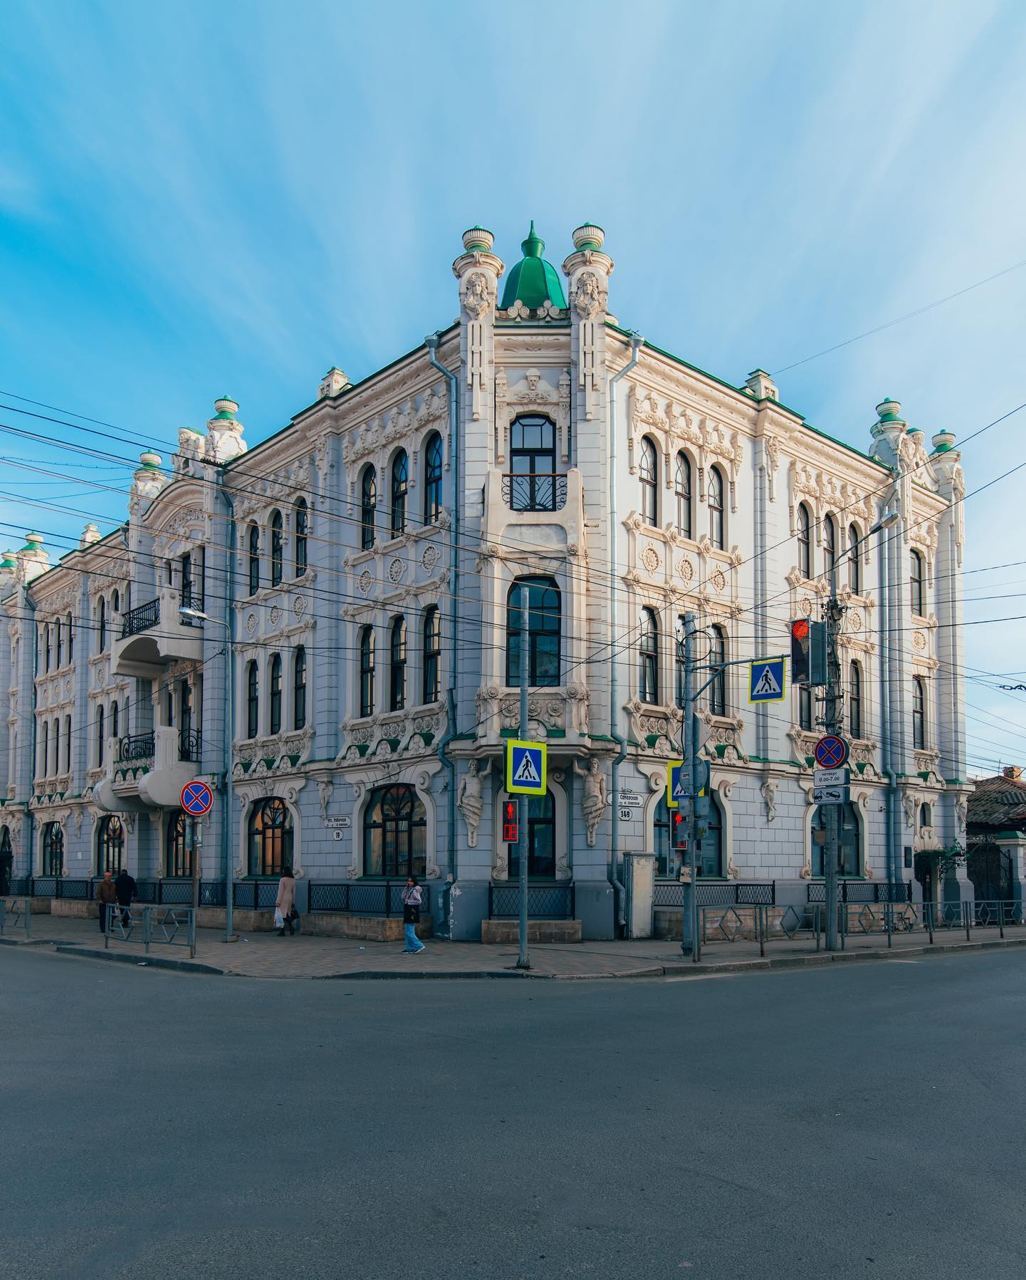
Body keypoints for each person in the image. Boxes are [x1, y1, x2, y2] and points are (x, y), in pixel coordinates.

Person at [402, 875, 425, 954]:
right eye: (408, 881)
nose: (409, 882)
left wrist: (409, 902)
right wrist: (405, 888)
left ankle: (419, 945)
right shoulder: (409, 889)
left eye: (411, 881)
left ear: (414, 882)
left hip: (412, 911)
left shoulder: (415, 890)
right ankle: (410, 948)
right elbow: (402, 897)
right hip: (408, 910)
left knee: (409, 931)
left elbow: (419, 901)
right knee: (407, 930)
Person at [275, 866, 296, 937]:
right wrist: (293, 901)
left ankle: (282, 931)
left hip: (283, 898)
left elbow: (280, 891)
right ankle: (290, 928)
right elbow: (294, 892)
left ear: (284, 871)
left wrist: (278, 901)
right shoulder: (293, 880)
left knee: (281, 915)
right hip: (289, 897)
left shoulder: (282, 880)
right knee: (286, 914)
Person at [96, 869, 117, 934]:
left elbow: (115, 892)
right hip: (103, 903)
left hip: (111, 902)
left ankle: (110, 927)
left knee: (112, 916)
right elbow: (98, 893)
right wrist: (100, 900)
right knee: (103, 916)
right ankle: (103, 928)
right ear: (105, 877)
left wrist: (116, 899)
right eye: (107, 876)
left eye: (110, 876)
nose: (109, 877)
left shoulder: (113, 885)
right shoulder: (101, 884)